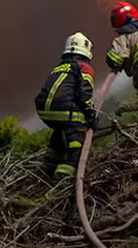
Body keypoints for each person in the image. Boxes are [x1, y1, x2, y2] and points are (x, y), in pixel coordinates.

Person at [34, 32, 97, 181]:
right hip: (63, 110)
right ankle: (61, 179)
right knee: (77, 144)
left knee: (60, 132)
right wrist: (91, 116)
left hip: (44, 111)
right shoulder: (84, 68)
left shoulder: (59, 67)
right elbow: (84, 95)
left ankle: (49, 165)